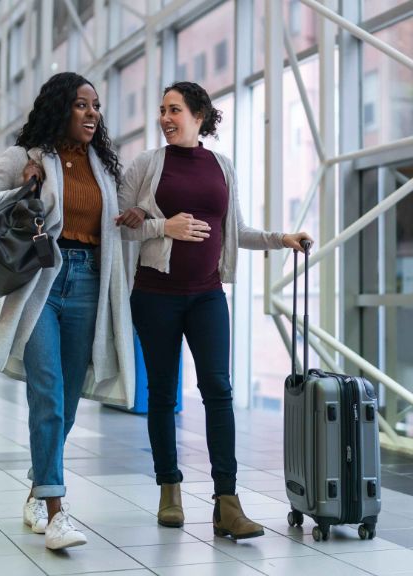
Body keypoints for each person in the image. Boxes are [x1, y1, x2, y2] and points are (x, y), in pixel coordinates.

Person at [116, 81, 313, 540]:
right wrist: (164, 226)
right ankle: (170, 492)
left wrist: (280, 239)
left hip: (206, 294)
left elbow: (234, 230)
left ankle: (227, 501)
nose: (165, 118)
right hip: (155, 294)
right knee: (162, 395)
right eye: (162, 110)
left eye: (174, 109)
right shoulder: (147, 164)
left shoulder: (221, 166)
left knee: (218, 391)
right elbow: (120, 225)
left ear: (199, 115)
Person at [0, 72, 135, 550]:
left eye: (96, 106)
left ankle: (39, 487)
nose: (93, 113)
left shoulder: (104, 166)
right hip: (41, 284)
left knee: (70, 399)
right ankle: (57, 513)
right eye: (82, 105)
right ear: (60, 108)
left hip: (89, 285)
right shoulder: (25, 158)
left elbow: (120, 227)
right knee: (49, 395)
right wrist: (19, 191)